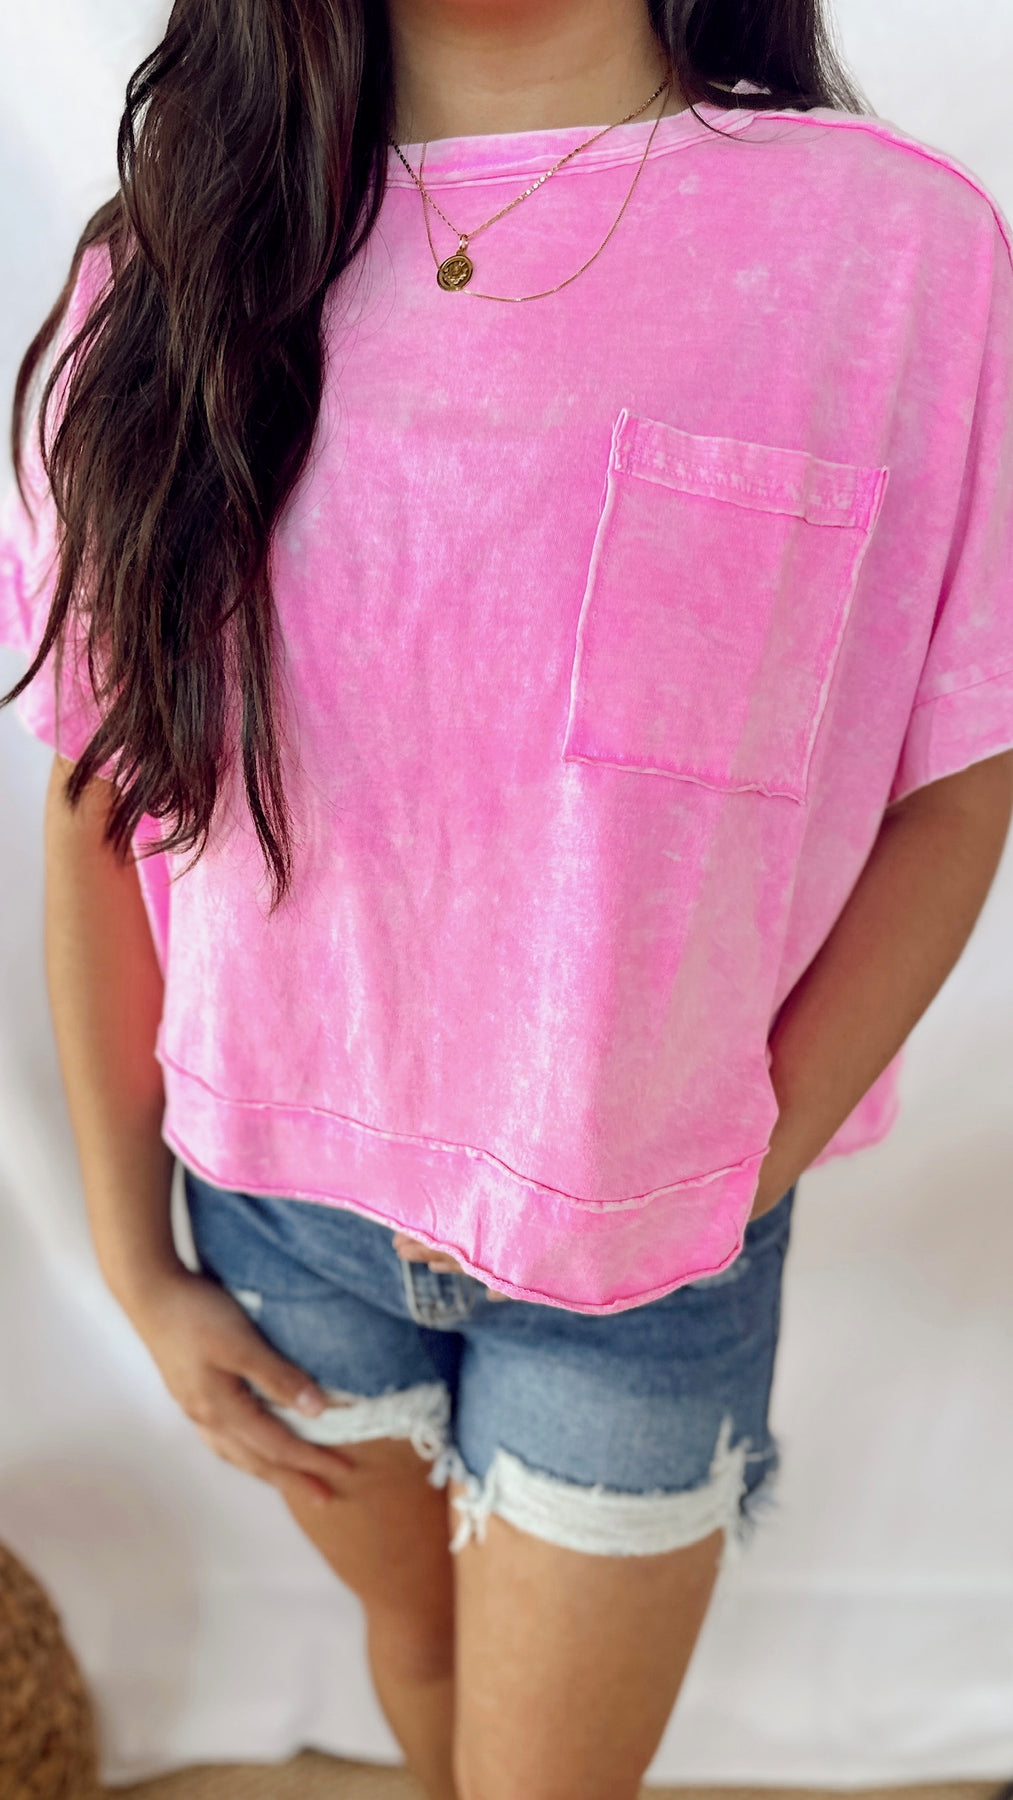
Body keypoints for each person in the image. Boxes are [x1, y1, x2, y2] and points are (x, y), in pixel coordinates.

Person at [2, 1, 1012, 1795]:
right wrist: (136, 1263)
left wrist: (728, 1171)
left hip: (647, 1248)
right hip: (279, 1220)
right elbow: (107, 794)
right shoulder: (165, 275)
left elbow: (962, 767)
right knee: (415, 1656)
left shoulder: (892, 252)